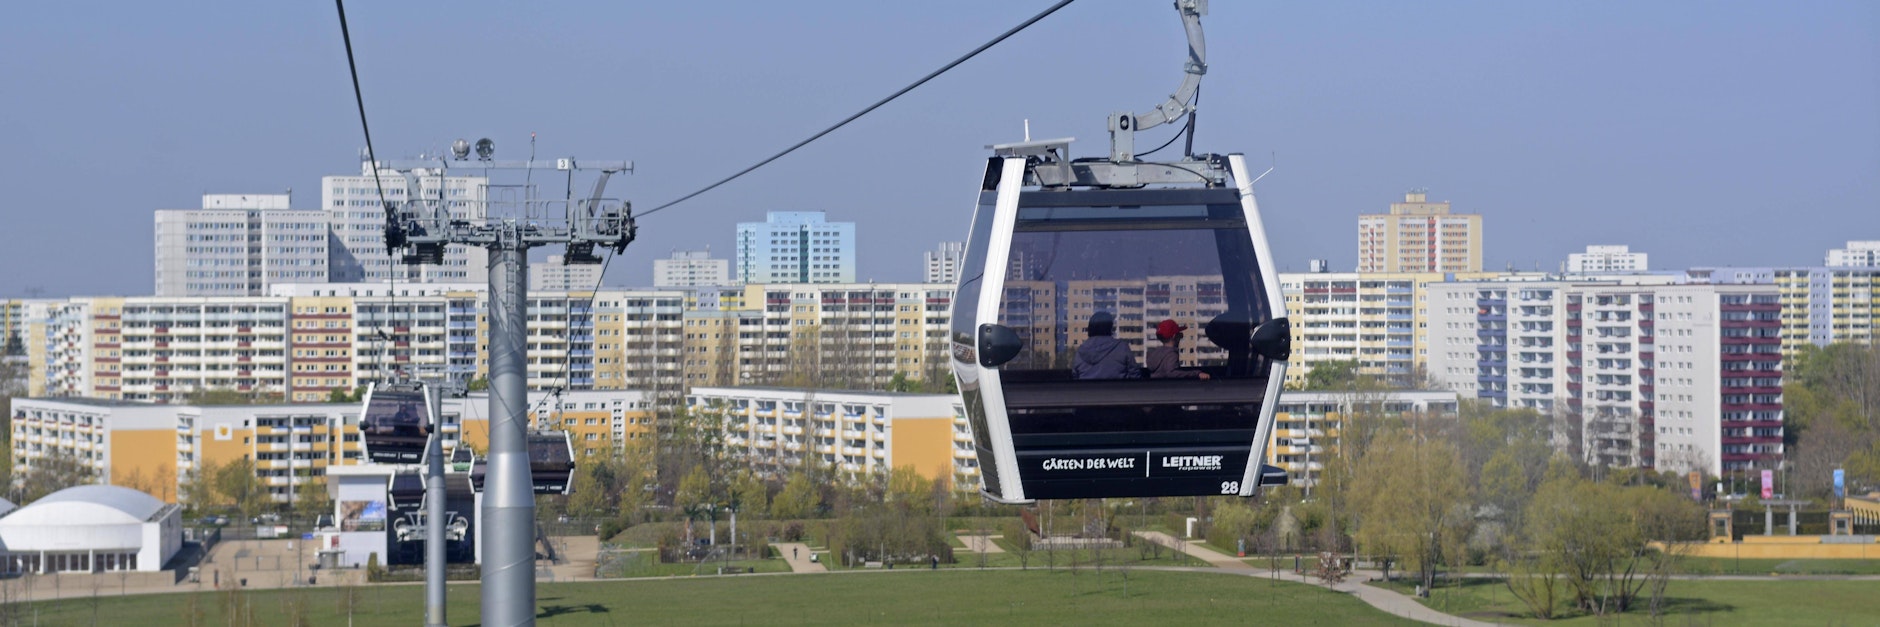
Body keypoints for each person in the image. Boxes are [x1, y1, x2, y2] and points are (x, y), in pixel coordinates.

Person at [1072, 311, 1140, 379]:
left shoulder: (1081, 351)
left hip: (1087, 389)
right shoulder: (1122, 347)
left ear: (1090, 327)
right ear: (1110, 327)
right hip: (1117, 389)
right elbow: (1134, 377)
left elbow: (1075, 378)